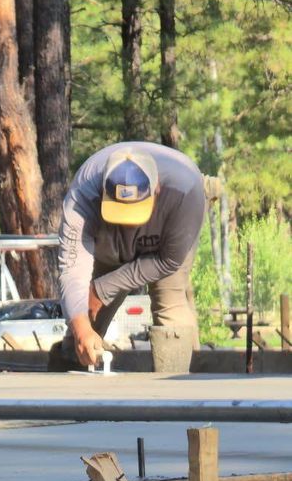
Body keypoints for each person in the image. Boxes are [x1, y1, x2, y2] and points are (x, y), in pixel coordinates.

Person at [57, 141, 206, 368]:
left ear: (157, 189)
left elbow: (169, 261)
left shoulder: (186, 189)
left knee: (170, 304)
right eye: (120, 211)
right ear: (104, 192)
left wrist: (103, 288)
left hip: (164, 245)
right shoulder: (82, 196)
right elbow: (72, 267)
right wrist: (81, 327)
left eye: (134, 212)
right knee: (84, 318)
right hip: (108, 243)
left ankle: (176, 389)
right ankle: (73, 385)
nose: (128, 225)